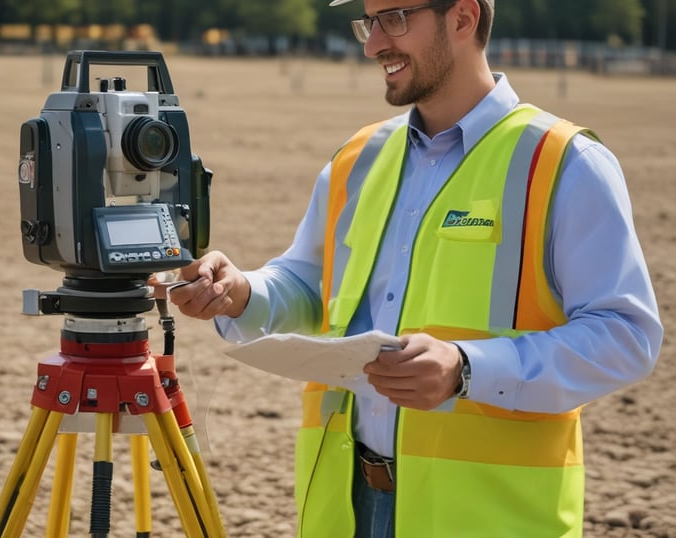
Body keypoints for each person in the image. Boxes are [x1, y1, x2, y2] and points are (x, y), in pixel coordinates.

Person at [151, 0, 663, 536]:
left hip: (485, 516)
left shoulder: (562, 163)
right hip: (346, 503)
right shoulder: (357, 157)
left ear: (463, 18)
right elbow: (309, 285)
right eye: (368, 23)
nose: (373, 44)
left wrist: (467, 367)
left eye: (394, 19)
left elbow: (626, 336)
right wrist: (242, 292)